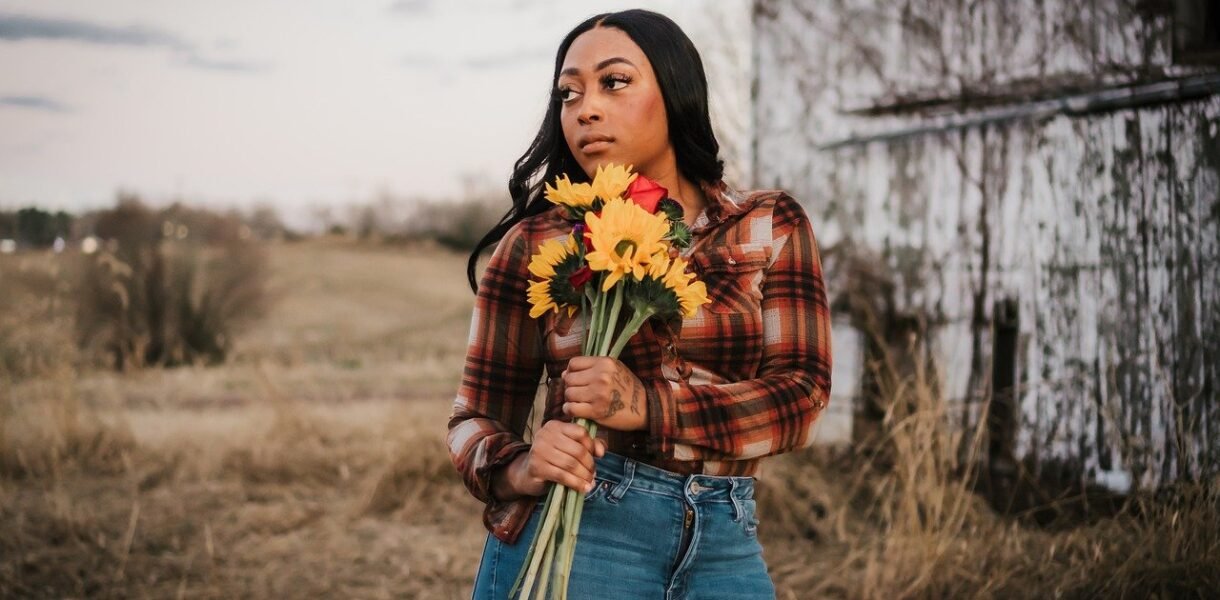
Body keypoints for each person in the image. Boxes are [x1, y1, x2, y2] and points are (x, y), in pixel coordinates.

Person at [448, 9, 831, 599]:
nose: (585, 109)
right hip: (579, 533)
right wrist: (524, 466)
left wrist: (648, 405)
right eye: (568, 94)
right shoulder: (536, 244)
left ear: (676, 92)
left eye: (614, 81)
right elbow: (473, 420)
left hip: (726, 538)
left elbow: (802, 396)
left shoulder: (766, 224)